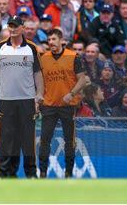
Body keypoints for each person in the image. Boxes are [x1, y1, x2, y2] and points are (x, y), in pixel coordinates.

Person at [0, 15, 44, 178]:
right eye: (10, 26)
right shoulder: (0, 47)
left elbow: (38, 73)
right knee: (5, 140)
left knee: (28, 140)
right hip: (5, 101)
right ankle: (2, 174)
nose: (12, 29)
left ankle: (31, 174)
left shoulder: (32, 48)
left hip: (27, 100)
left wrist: (39, 94)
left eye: (15, 26)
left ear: (22, 28)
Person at [38, 28, 87, 178]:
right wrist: (38, 95)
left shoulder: (73, 57)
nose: (51, 42)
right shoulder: (43, 58)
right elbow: (38, 79)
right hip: (49, 104)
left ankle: (68, 172)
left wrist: (71, 93)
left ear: (61, 40)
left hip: (68, 105)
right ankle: (43, 172)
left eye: (53, 39)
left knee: (69, 141)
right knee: (45, 140)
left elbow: (82, 79)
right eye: (49, 40)